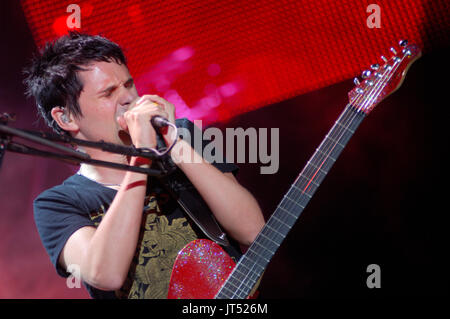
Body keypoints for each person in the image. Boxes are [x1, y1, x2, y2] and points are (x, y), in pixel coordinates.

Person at [25, 32, 265, 299]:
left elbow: (252, 232)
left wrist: (175, 145)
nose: (128, 99)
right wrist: (141, 156)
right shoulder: (58, 203)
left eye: (128, 85)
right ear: (66, 117)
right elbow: (106, 274)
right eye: (108, 93)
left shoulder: (180, 137)